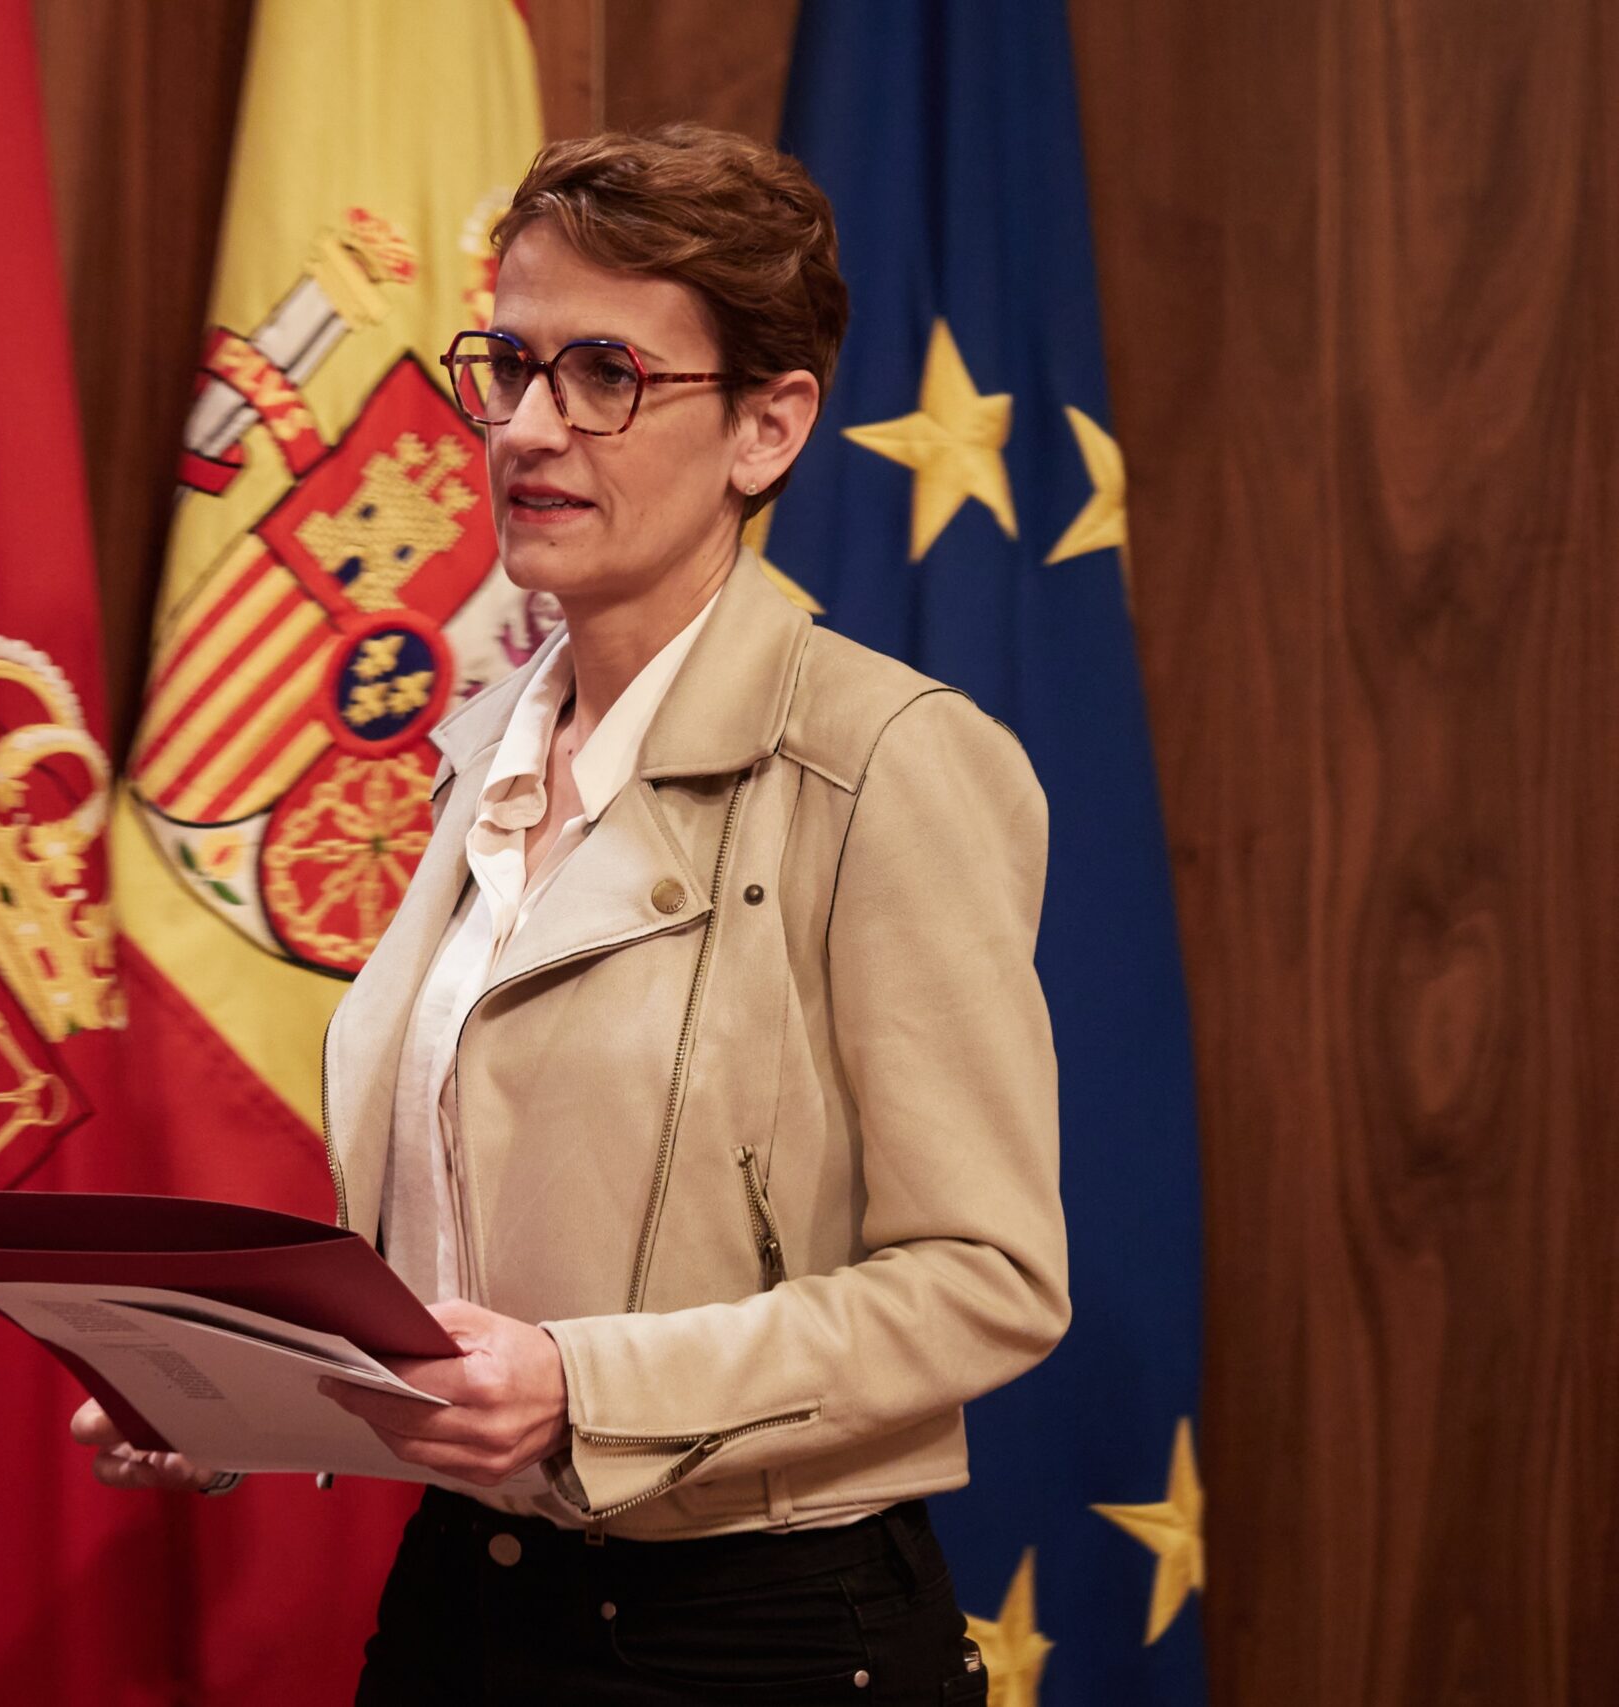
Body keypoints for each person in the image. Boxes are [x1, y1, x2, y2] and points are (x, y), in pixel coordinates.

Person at [73, 122, 1064, 1704]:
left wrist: (581, 1385)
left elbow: (988, 1282)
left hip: (761, 1637)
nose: (528, 428)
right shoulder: (482, 749)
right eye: (510, 366)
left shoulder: (888, 760)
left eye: (606, 374)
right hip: (465, 1602)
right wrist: (240, 1393)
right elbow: (481, 1272)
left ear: (767, 428)